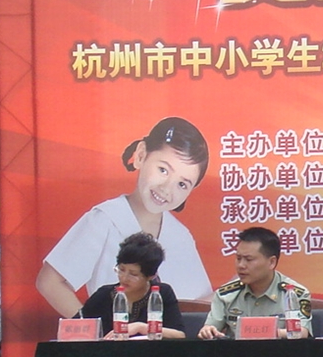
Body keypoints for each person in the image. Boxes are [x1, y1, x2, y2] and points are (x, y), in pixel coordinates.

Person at [37, 116, 214, 317]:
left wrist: (236, 287)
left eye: (182, 184)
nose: (167, 188)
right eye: (163, 170)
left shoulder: (181, 235)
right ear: (141, 155)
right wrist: (94, 329)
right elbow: (50, 282)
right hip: (116, 334)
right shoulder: (105, 219)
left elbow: (197, 305)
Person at [199, 226, 313, 339]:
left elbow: (302, 332)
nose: (241, 265)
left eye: (249, 260)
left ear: (271, 262)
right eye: (238, 258)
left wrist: (263, 333)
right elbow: (211, 327)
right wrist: (207, 331)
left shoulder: (294, 294)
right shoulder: (225, 295)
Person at [78, 233, 185, 339]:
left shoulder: (161, 293)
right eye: (121, 269)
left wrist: (141, 327)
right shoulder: (104, 295)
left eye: (133, 274)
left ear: (151, 276)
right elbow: (75, 327)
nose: (124, 278)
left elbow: (179, 335)